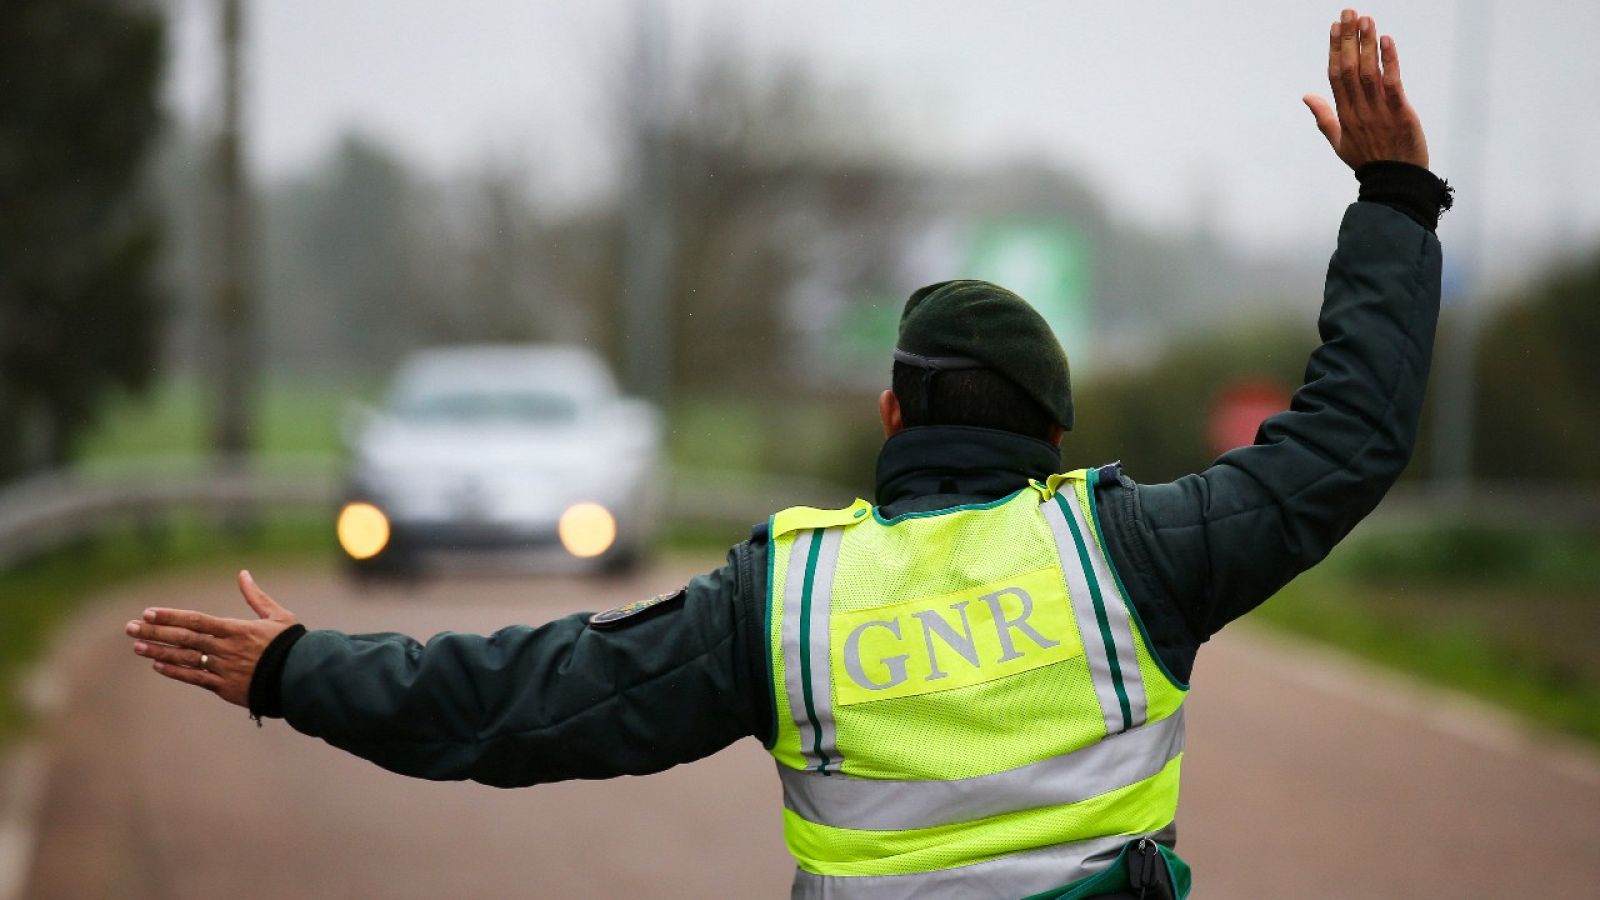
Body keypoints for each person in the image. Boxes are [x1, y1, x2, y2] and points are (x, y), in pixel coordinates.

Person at [125, 10, 1450, 899]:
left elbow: (519, 704)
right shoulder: (1134, 556)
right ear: (1052, 439)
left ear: (891, 417)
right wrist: (1391, 201)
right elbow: (1348, 437)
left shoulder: (789, 601)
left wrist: (297, 669)